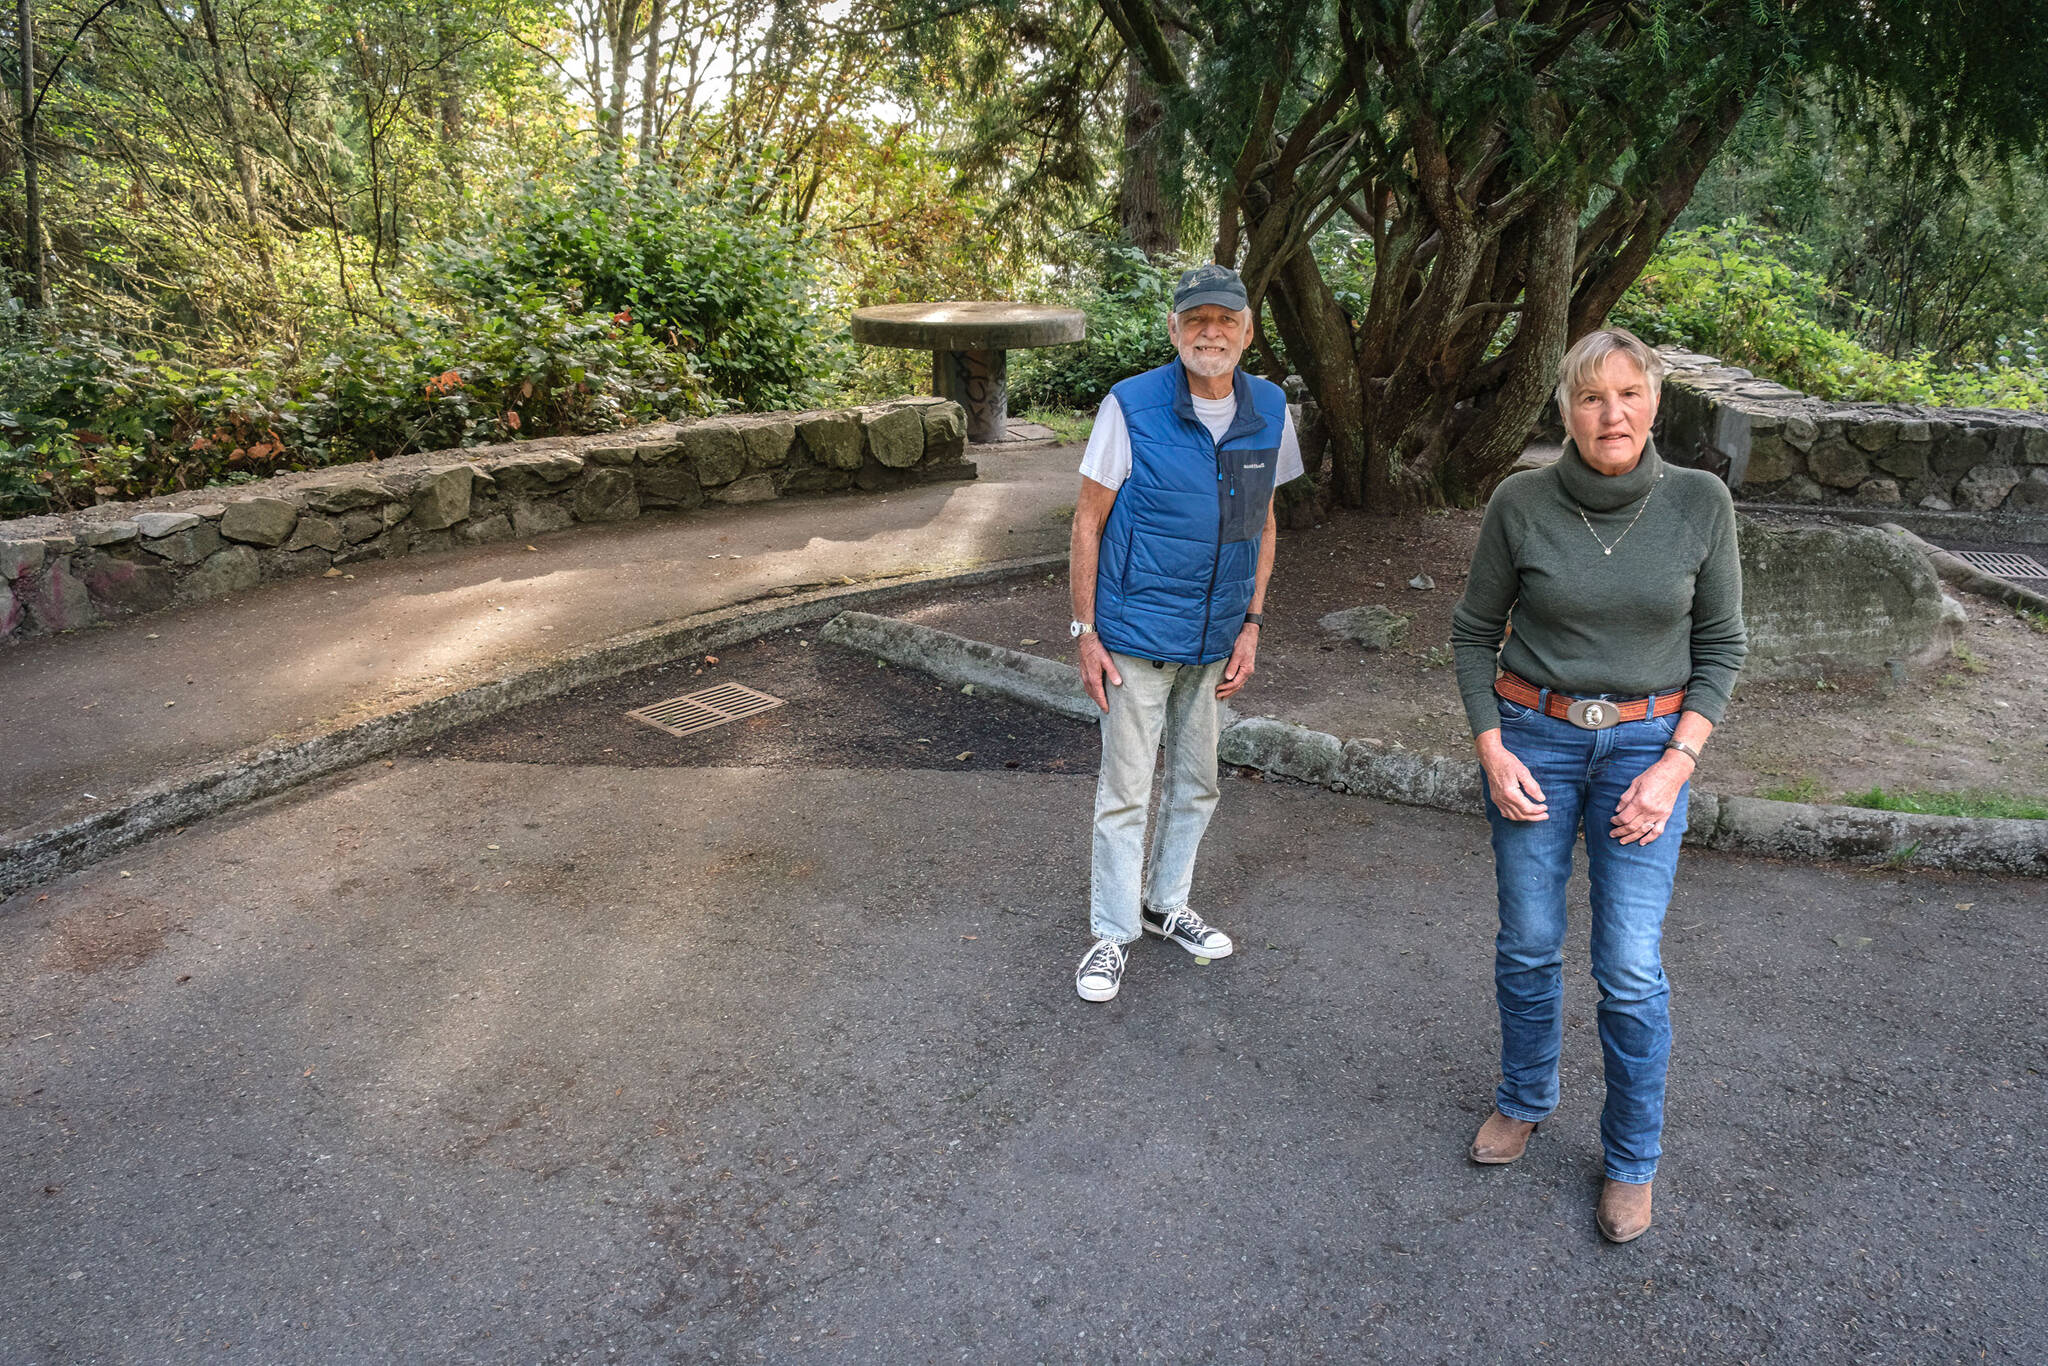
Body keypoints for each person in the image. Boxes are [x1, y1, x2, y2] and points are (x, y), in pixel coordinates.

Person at [1448, 326, 1747, 1243]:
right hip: (1534, 738)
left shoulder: (1700, 503)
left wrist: (1676, 765)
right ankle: (1525, 1096)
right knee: (1529, 942)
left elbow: (1722, 649)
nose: (1611, 413)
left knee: (1627, 966)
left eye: (1628, 393)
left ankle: (1631, 1160)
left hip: (1647, 752)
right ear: (1565, 410)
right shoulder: (1520, 503)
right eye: (1590, 396)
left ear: (1656, 401)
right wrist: (1493, 750)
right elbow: (1471, 634)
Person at [1068, 264, 1303, 1004]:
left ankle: (1165, 904)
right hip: (1134, 635)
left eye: (1225, 321)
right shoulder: (1130, 405)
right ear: (1173, 330)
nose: (1211, 333)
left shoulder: (1268, 406)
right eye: (1196, 320)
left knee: (1197, 785)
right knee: (1126, 792)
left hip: (1216, 638)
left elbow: (1264, 522)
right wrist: (1085, 630)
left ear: (1247, 332)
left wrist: (1252, 626)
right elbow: (1087, 520)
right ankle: (1112, 932)